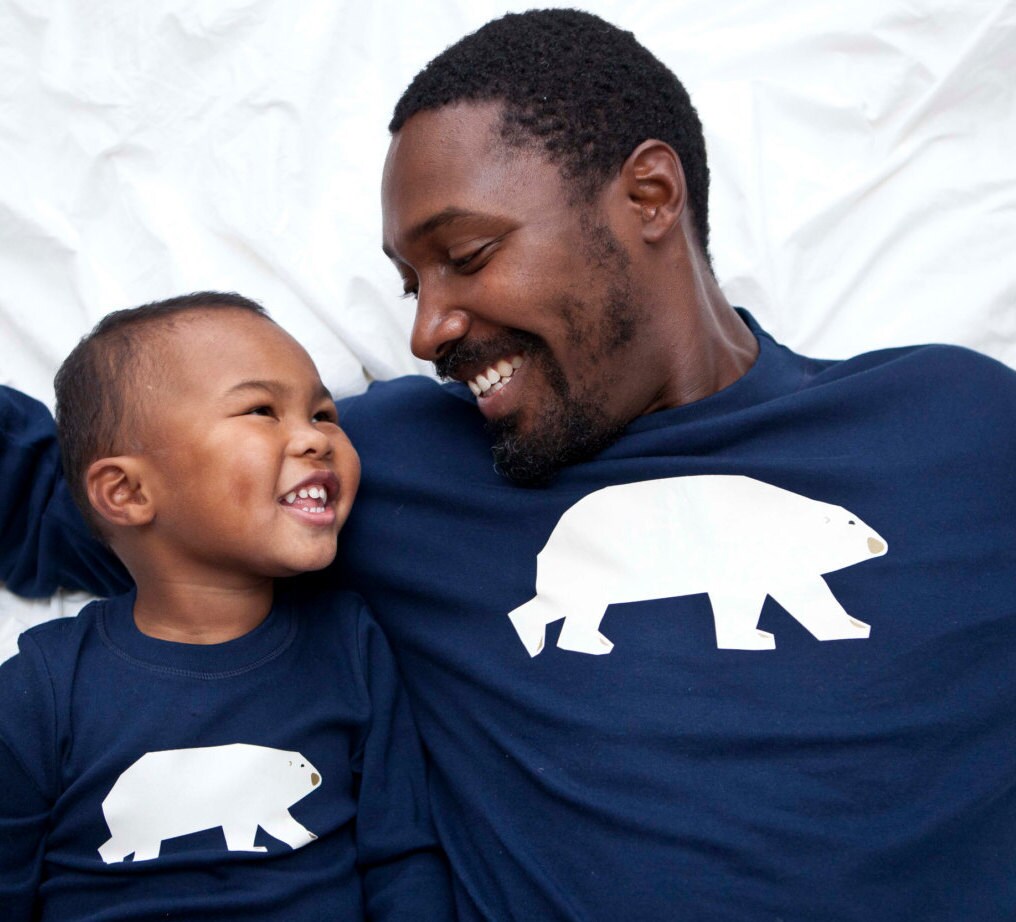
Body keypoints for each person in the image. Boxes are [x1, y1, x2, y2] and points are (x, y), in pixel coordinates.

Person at [1, 9, 1014, 921]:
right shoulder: (387, 465)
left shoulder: (956, 422)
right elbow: (122, 493)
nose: (426, 327)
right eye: (408, 281)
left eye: (468, 255)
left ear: (649, 195)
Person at [0, 292, 452, 921]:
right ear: (127, 491)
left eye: (323, 414)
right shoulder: (39, 689)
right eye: (262, 410)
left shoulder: (351, 644)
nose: (315, 438)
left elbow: (401, 856)